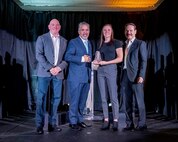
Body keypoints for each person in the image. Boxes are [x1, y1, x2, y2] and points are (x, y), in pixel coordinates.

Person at [35, 19, 68, 134]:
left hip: (58, 74)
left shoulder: (64, 41)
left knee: (56, 99)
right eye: (53, 24)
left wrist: (58, 68)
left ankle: (52, 124)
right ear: (49, 26)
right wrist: (50, 68)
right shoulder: (42, 38)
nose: (55, 26)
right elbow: (39, 55)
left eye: (57, 25)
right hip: (44, 73)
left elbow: (66, 58)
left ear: (60, 27)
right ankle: (39, 125)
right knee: (41, 99)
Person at [93, 24, 123, 131]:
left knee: (113, 96)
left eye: (108, 30)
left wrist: (106, 62)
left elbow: (120, 58)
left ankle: (115, 120)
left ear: (111, 31)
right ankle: (106, 119)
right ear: (102, 32)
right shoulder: (99, 43)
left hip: (111, 69)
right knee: (103, 97)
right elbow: (97, 57)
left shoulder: (117, 42)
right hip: (100, 70)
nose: (106, 31)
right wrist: (95, 61)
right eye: (104, 30)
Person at [64, 21, 92, 130]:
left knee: (82, 101)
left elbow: (88, 59)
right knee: (74, 101)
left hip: (86, 77)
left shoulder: (89, 43)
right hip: (75, 77)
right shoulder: (73, 42)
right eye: (83, 30)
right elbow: (67, 56)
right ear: (78, 31)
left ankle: (80, 120)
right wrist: (81, 59)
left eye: (87, 30)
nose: (85, 32)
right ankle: (73, 121)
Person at [120, 23, 147, 131]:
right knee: (127, 102)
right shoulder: (123, 44)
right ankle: (129, 123)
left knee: (139, 101)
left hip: (136, 76)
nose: (129, 32)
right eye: (127, 30)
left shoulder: (140, 44)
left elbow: (144, 61)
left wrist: (141, 75)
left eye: (131, 30)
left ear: (135, 31)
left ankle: (142, 124)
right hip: (125, 75)